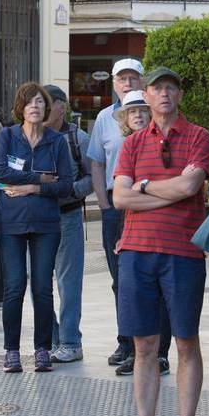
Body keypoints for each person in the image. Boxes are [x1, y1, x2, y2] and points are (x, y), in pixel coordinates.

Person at [112, 67, 209, 416]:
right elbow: (119, 198)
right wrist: (164, 190)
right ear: (146, 96)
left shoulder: (198, 136)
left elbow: (191, 188)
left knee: (186, 342)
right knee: (144, 346)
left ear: (179, 95)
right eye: (157, 88)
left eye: (171, 87)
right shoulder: (133, 142)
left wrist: (145, 186)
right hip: (136, 252)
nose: (164, 94)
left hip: (183, 253)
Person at [0, 82, 73, 373]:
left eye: (40, 102)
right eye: (29, 102)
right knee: (14, 286)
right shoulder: (8, 136)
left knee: (42, 288)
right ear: (21, 108)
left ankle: (42, 349)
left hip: (46, 223)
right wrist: (40, 177)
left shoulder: (56, 141)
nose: (35, 107)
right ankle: (11, 350)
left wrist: (30, 188)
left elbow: (65, 184)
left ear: (46, 107)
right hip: (11, 223)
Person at [87, 57, 144, 369]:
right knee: (119, 278)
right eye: (122, 78)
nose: (128, 83)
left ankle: (145, 345)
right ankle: (125, 340)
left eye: (133, 78)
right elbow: (96, 161)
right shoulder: (104, 119)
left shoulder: (149, 117)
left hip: (146, 203)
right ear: (114, 83)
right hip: (114, 204)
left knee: (141, 277)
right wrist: (103, 204)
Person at [112, 90, 172, 378]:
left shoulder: (161, 143)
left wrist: (144, 190)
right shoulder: (127, 146)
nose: (137, 115)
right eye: (131, 111)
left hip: (165, 233)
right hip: (133, 232)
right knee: (132, 294)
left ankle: (160, 355)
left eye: (141, 110)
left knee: (162, 297)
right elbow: (121, 198)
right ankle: (136, 353)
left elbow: (175, 188)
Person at [43, 84, 92, 363]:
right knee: (37, 282)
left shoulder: (78, 138)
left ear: (62, 107)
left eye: (48, 104)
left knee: (68, 283)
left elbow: (93, 176)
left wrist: (72, 190)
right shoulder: (30, 137)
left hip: (68, 216)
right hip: (36, 218)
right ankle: (52, 339)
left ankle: (71, 342)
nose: (41, 110)